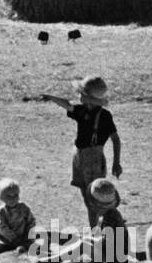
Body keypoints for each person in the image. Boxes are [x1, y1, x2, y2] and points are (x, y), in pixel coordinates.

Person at [41, 76, 122, 226]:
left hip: (92, 159)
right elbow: (67, 105)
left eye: (82, 93)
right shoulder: (82, 110)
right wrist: (51, 97)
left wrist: (116, 162)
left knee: (94, 197)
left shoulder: (104, 116)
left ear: (89, 97)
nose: (79, 96)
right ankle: (96, 227)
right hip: (79, 156)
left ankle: (96, 230)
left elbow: (115, 139)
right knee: (87, 196)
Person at [0, 178, 36, 256]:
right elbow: (2, 227)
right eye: (9, 196)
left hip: (21, 235)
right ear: (2, 198)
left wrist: (28, 234)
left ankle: (21, 246)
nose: (13, 199)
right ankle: (9, 245)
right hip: (3, 236)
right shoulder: (2, 211)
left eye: (15, 195)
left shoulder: (24, 207)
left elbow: (31, 221)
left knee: (32, 242)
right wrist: (13, 239)